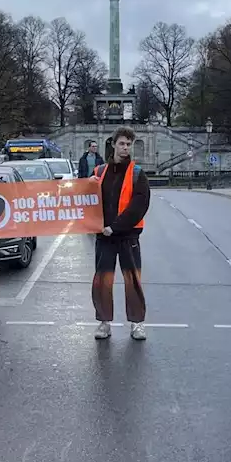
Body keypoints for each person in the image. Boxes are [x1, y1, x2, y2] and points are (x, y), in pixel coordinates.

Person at [90, 126, 151, 341]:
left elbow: (139, 206)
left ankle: (137, 324)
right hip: (103, 236)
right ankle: (104, 323)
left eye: (128, 144)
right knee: (102, 281)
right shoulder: (98, 173)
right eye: (122, 143)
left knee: (132, 280)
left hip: (127, 235)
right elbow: (86, 200)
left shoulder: (137, 173)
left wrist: (115, 226)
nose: (125, 148)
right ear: (113, 144)